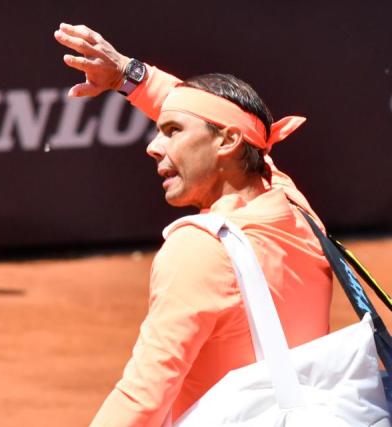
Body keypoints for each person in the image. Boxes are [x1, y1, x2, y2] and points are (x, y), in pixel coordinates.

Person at [54, 23, 333, 426]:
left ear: (226, 142)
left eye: (172, 132)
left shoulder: (200, 250)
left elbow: (142, 399)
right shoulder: (293, 205)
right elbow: (227, 121)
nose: (153, 147)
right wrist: (127, 75)